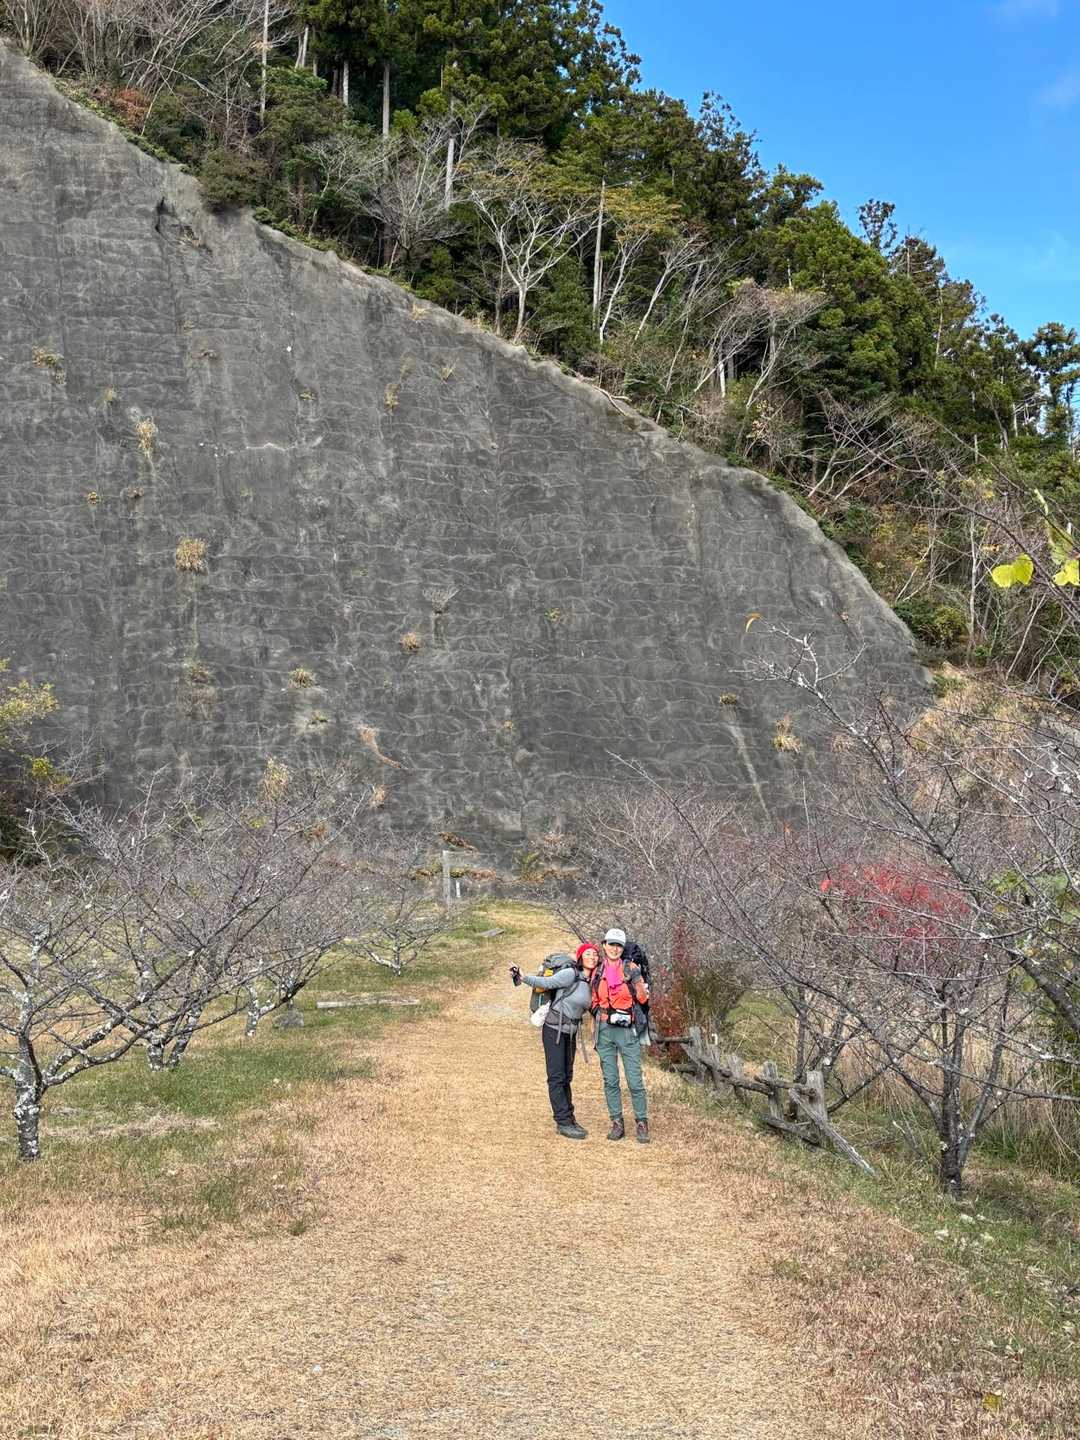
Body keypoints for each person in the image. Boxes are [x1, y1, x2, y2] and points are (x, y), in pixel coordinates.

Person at [510, 944, 597, 1140]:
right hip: (554, 1030)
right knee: (557, 1076)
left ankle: (569, 1117)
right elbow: (546, 983)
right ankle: (563, 1122)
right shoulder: (570, 974)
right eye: (588, 953)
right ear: (580, 957)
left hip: (570, 1033)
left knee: (566, 1076)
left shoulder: (590, 980)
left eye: (595, 954)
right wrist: (523, 976)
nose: (592, 957)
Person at [590, 927, 650, 1143]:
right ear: (604, 945)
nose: (614, 949)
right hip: (604, 1029)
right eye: (611, 944)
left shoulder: (631, 969)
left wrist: (637, 985)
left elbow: (642, 999)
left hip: (627, 1030)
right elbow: (593, 999)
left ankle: (641, 1122)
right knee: (610, 1079)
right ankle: (617, 1122)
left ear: (623, 949)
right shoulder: (597, 971)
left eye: (618, 945)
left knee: (634, 1080)